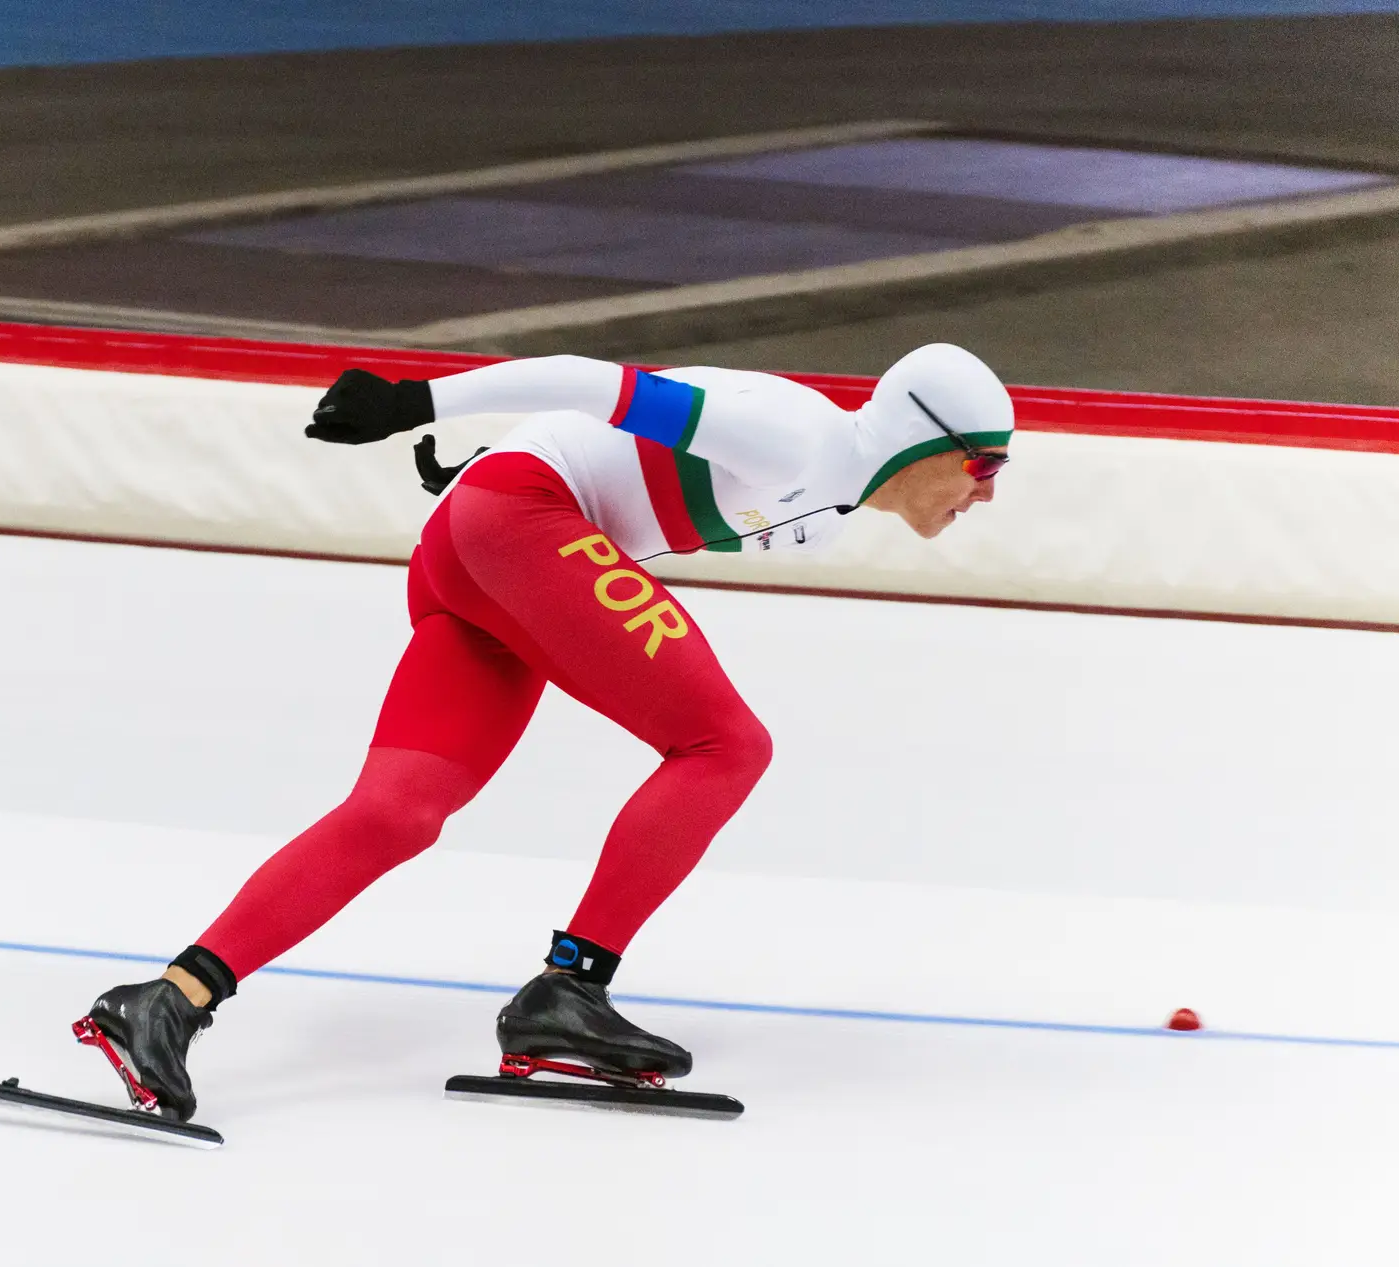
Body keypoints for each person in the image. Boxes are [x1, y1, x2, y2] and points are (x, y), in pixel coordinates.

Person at [82, 343, 1015, 1121]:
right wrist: (420, 402)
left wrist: (491, 469)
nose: (985, 495)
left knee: (399, 811)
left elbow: (612, 463)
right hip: (516, 522)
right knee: (726, 745)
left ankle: (166, 1000)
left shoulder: (820, 525)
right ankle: (567, 991)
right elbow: (588, 380)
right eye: (984, 467)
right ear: (923, 437)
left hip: (486, 541)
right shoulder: (796, 436)